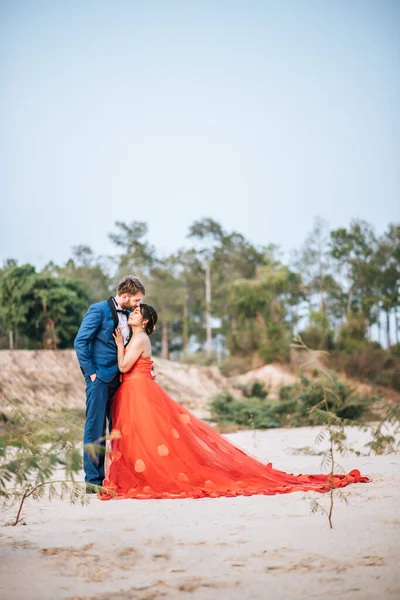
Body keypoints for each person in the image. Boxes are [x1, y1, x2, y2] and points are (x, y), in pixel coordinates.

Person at [100, 304, 369, 500]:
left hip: (138, 391)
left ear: (145, 321)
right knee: (145, 437)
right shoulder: (138, 337)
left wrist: (119, 347)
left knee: (148, 436)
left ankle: (149, 476)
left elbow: (124, 366)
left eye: (137, 313)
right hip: (137, 390)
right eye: (133, 312)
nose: (132, 314)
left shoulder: (139, 338)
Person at [74, 275, 146, 491]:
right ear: (124, 296)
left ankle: (118, 477)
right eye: (136, 301)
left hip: (122, 380)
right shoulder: (98, 310)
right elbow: (80, 342)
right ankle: (93, 481)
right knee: (96, 428)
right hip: (100, 380)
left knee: (119, 428)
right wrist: (91, 374)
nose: (138, 305)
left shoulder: (129, 315)